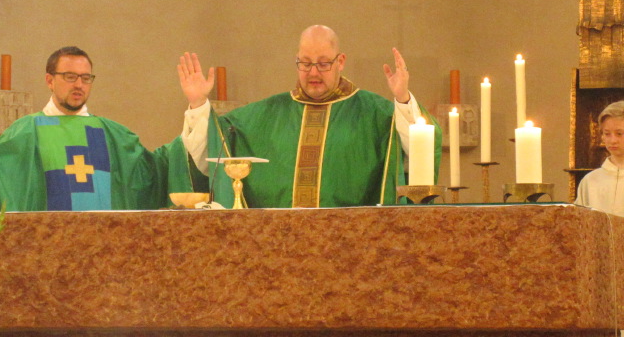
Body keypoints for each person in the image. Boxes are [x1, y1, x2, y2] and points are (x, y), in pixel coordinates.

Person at [178, 25, 442, 207]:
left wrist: (403, 99)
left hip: (355, 245)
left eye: (324, 63)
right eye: (305, 63)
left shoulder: (374, 113)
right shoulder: (266, 115)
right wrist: (198, 103)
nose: (313, 72)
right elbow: (213, 150)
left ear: (341, 61)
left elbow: (421, 148)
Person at [0, 46, 212, 211]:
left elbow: (159, 170)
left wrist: (197, 105)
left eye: (86, 78)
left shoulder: (112, 134)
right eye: (70, 77)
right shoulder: (27, 131)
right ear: (49, 80)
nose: (79, 84)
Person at [575, 100, 624, 217]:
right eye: (607, 134)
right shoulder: (590, 181)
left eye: (619, 133)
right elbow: (579, 221)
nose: (613, 140)